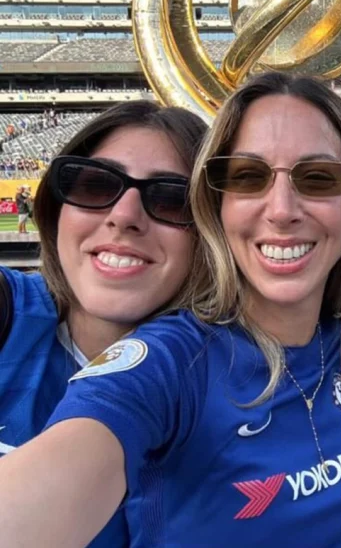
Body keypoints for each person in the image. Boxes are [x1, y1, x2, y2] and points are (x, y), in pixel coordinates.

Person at [0, 73, 341, 548]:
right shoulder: (169, 361)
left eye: (318, 178)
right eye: (248, 176)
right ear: (218, 211)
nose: (282, 208)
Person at [0, 100, 207, 547]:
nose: (123, 216)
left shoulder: (249, 382)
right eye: (95, 186)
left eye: (171, 199)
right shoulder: (8, 313)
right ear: (56, 210)